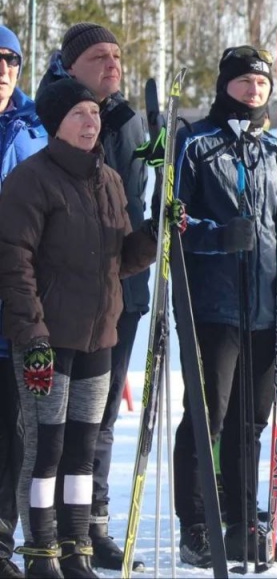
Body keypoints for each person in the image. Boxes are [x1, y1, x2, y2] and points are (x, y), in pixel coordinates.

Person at [0, 79, 157, 577]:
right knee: (45, 448)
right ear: (55, 124)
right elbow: (14, 262)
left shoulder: (109, 180)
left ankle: (75, 547)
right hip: (47, 341)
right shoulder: (30, 180)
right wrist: (32, 335)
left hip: (98, 340)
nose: (91, 123)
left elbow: (121, 260)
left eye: (94, 114)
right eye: (79, 115)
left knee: (83, 450)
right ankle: (42, 550)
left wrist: (155, 234)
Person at [171, 46, 277, 566]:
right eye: (245, 81)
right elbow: (173, 224)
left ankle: (240, 520)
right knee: (207, 416)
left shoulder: (276, 150)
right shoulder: (195, 143)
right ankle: (197, 524)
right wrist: (218, 236)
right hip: (214, 305)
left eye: (262, 83)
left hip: (266, 305)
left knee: (250, 422)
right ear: (226, 85)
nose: (255, 89)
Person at [36, 22, 154, 571]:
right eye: (100, 57)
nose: (113, 65)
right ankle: (47, 530)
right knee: (50, 423)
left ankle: (90, 523)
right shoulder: (49, 115)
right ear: (70, 65)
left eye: (118, 55)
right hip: (58, 300)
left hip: (118, 290)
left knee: (100, 418)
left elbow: (131, 200)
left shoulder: (127, 120)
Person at [0, 25, 48, 579]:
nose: (3, 70)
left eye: (11, 60)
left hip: (16, 304)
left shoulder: (37, 129)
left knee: (11, 434)